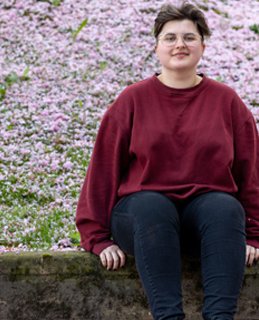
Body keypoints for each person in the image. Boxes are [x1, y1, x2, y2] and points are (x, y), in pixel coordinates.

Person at [76, 2, 259, 319]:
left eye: (189, 37)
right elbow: (103, 170)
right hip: (143, 220)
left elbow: (250, 172)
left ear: (202, 45)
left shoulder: (226, 101)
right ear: (157, 47)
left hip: (206, 224)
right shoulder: (132, 100)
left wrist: (253, 233)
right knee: (153, 206)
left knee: (224, 206)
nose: (180, 45)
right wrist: (97, 237)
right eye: (170, 37)